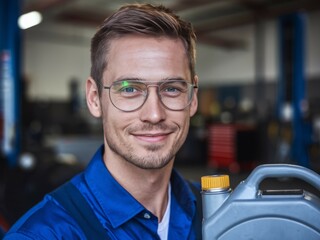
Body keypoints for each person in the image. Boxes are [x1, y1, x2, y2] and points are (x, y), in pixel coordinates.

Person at [4, 3, 200, 239]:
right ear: (94, 98)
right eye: (129, 89)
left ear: (193, 98)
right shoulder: (44, 234)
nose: (154, 114)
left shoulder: (221, 213)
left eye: (171, 88)